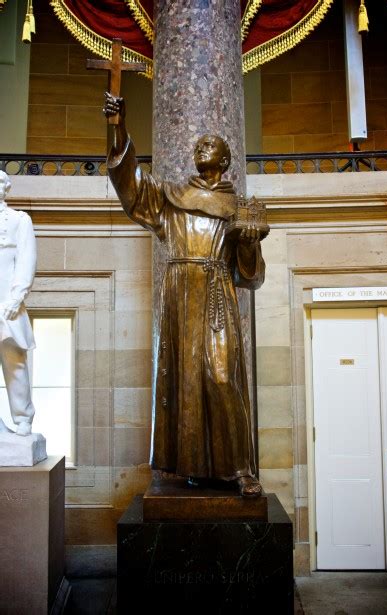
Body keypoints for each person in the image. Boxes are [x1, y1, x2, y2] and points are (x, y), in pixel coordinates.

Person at [104, 93, 265, 497]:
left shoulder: (239, 207)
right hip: (179, 293)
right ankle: (192, 466)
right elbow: (132, 187)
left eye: (210, 145)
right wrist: (119, 128)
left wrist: (246, 243)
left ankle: (240, 468)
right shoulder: (172, 198)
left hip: (215, 296)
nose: (200, 147)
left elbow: (251, 276)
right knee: (183, 381)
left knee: (221, 376)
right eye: (197, 145)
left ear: (226, 160)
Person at [0, 170, 36, 436]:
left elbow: (26, 261)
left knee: (15, 361)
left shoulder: (19, 220)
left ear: (6, 188)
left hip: (8, 300)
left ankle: (23, 418)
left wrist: (16, 297)